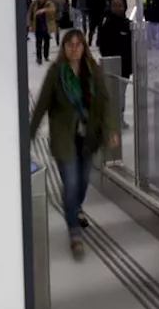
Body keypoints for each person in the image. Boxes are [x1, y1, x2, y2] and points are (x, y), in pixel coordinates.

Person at [29, 30, 120, 259]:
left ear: (84, 47)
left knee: (82, 182)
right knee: (70, 185)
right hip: (64, 139)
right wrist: (29, 134)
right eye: (70, 45)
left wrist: (110, 129)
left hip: (88, 137)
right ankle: (74, 233)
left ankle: (75, 208)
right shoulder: (56, 73)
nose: (74, 49)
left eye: (78, 45)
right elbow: (41, 105)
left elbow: (105, 102)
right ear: (64, 48)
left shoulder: (93, 71)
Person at [96, 0, 133, 129]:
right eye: (114, 5)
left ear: (124, 7)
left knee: (121, 95)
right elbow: (102, 45)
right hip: (111, 67)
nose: (117, 8)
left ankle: (120, 117)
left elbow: (132, 46)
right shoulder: (106, 24)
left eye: (119, 5)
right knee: (111, 94)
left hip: (125, 67)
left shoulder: (128, 24)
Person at [28, 0, 57, 65]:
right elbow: (30, 14)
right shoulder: (34, 4)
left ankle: (46, 55)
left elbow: (53, 10)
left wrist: (44, 10)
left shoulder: (49, 3)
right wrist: (30, 25)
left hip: (46, 26)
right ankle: (39, 58)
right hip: (37, 25)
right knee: (38, 42)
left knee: (47, 41)